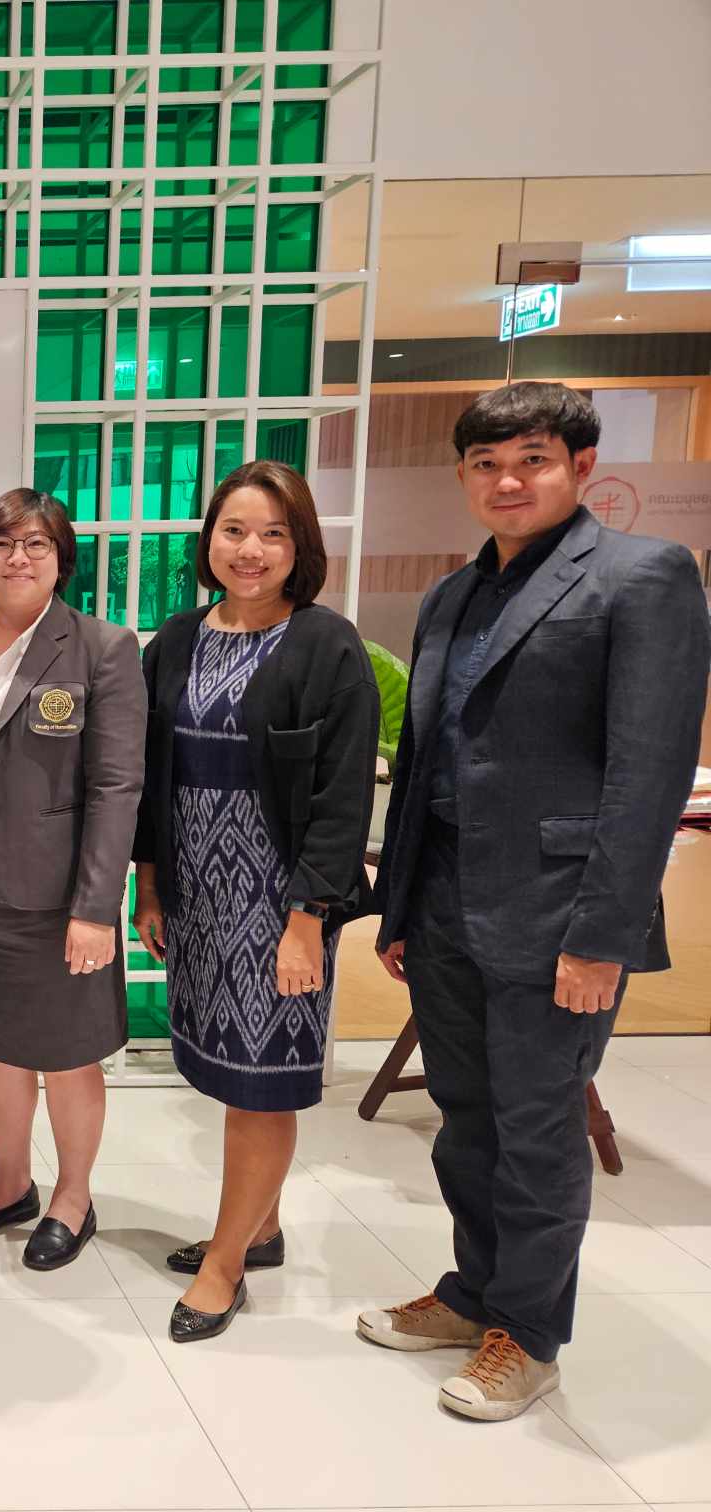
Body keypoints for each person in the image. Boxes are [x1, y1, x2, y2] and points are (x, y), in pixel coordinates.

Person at [358, 382, 711, 1420]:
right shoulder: (450, 595)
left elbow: (647, 772)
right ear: (463, 474)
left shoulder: (642, 576)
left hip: (557, 912)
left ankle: (530, 1333)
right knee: (464, 1121)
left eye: (531, 461)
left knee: (537, 1129)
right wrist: (399, 908)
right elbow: (424, 758)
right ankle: (474, 1295)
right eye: (486, 464)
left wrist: (602, 934)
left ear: (580, 466)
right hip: (445, 903)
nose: (506, 481)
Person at [132, 459, 379, 1344]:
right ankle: (260, 1227)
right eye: (234, 530)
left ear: (299, 546)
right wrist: (149, 883)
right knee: (224, 1066)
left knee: (262, 1087)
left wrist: (308, 920)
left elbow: (343, 800)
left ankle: (225, 1266)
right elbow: (151, 776)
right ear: (209, 540)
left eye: (274, 534)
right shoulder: (176, 638)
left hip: (279, 904)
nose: (251, 550)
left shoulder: (327, 645)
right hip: (197, 892)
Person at [0, 490, 145, 1269]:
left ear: (61, 560)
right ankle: (10, 1184)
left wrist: (97, 907)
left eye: (36, 545)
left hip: (60, 899)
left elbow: (117, 785)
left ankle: (73, 1198)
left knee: (69, 1053)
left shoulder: (101, 647)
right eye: (0, 543)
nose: (16, 558)